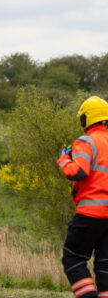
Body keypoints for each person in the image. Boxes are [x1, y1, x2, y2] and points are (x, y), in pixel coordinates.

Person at [58, 96, 108, 298]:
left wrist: (63, 158)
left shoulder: (85, 141)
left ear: (86, 119)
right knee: (105, 266)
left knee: (73, 258)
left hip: (90, 214)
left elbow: (78, 172)